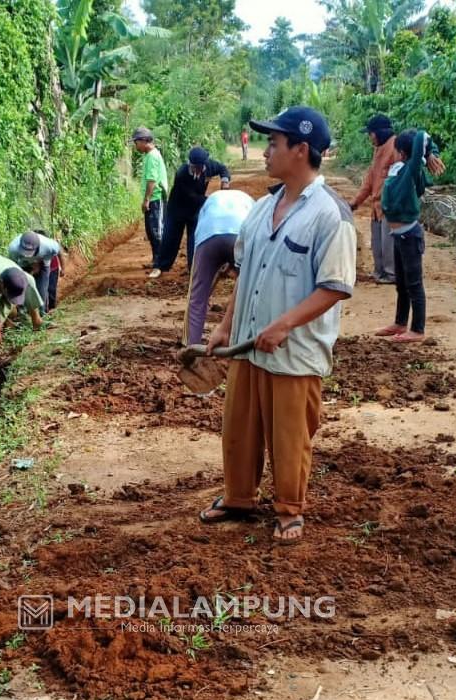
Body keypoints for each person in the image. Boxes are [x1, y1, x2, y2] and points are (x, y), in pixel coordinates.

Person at [198, 107, 357, 545]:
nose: (266, 151)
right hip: (250, 343)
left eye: (274, 143)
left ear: (301, 150)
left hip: (294, 352)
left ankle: (290, 510)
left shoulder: (330, 216)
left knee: (289, 437)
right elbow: (245, 273)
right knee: (239, 427)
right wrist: (225, 325)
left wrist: (285, 325)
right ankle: (238, 498)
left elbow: (336, 287)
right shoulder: (263, 207)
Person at [374, 128, 445, 343]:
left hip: (409, 236)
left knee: (414, 284)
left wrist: (428, 153)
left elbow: (423, 134)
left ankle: (417, 329)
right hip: (398, 236)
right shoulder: (397, 169)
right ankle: (400, 322)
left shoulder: (410, 169)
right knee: (402, 284)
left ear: (401, 152)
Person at [182, 189, 255, 346]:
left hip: (208, 236)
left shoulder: (209, 203)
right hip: (239, 234)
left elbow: (198, 236)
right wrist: (234, 268)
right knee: (248, 291)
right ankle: (241, 345)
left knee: (197, 297)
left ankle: (191, 347)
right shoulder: (250, 202)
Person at [151, 146, 231, 278]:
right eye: (193, 166)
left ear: (204, 165)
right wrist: (214, 200)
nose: (195, 170)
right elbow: (192, 197)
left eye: (198, 167)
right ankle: (160, 266)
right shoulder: (182, 173)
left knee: (194, 240)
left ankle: (193, 268)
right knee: (170, 239)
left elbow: (223, 169)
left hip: (194, 211)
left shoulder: (210, 166)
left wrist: (225, 180)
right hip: (177, 209)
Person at [350, 114, 399, 284]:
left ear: (379, 133)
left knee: (389, 244)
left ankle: (392, 275)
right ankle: (380, 273)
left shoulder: (397, 148)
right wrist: (355, 202)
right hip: (377, 207)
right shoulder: (378, 150)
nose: (370, 138)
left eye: (371, 134)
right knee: (377, 244)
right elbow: (370, 180)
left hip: (391, 207)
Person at [132, 127, 168, 269]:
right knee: (151, 231)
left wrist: (146, 199)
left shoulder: (152, 156)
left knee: (156, 231)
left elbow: (152, 180)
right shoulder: (149, 155)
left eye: (136, 142)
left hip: (156, 198)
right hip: (153, 199)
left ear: (144, 141)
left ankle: (160, 263)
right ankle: (156, 260)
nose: (136, 146)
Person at [7, 230, 64, 313]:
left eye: (29, 252)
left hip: (43, 263)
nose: (27, 254)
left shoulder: (49, 246)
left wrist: (63, 268)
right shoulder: (13, 248)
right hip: (22, 264)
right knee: (21, 288)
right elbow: (13, 266)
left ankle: (42, 314)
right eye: (25, 251)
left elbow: (59, 251)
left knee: (41, 291)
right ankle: (22, 314)